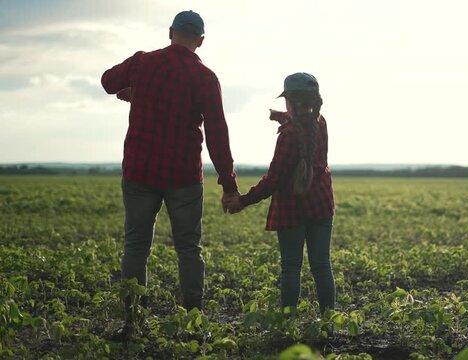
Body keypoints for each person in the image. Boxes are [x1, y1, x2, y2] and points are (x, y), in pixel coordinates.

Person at [101, 10, 239, 336]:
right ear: (200, 41)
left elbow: (108, 82)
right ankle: (193, 323)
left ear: (170, 33)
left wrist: (137, 91)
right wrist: (229, 184)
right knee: (189, 248)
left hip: (139, 170)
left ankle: (133, 323)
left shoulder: (143, 62)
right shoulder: (205, 77)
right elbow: (217, 133)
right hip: (184, 175)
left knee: (135, 246)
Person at [224, 72, 336, 313]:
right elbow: (302, 122)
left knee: (291, 267)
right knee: (322, 266)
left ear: (290, 101)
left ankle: (287, 323)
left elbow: (273, 179)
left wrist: (243, 201)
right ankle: (329, 321)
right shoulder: (321, 123)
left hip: (292, 209)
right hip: (321, 204)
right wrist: (280, 117)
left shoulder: (288, 136)